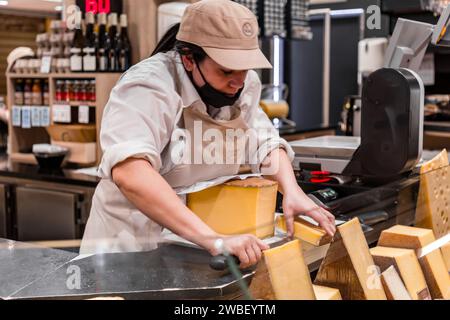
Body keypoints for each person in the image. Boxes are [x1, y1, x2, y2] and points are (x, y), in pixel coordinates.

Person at [80, 0, 336, 268]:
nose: (238, 81)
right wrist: (213, 239)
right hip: (128, 248)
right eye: (226, 70)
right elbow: (130, 172)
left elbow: (264, 141)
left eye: (245, 68)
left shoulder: (242, 84)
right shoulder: (149, 85)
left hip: (192, 246)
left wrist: (292, 190)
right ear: (189, 59)